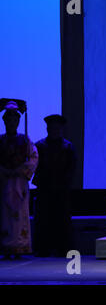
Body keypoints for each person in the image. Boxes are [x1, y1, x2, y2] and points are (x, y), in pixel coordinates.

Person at [32, 114, 76, 257]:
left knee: (62, 219)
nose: (55, 130)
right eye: (52, 127)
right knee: (43, 220)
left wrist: (64, 183)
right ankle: (42, 248)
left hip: (61, 188)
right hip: (44, 188)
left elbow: (71, 167)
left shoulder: (68, 147)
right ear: (47, 128)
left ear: (61, 129)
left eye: (57, 127)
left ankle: (63, 248)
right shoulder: (39, 145)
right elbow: (35, 167)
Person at [0, 101, 38, 259]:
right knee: (4, 215)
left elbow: (33, 157)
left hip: (19, 182)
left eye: (14, 120)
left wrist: (21, 170)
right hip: (3, 182)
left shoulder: (25, 140)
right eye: (8, 120)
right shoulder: (0, 140)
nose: (11, 122)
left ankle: (19, 246)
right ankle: (5, 247)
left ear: (18, 122)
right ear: (4, 121)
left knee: (20, 214)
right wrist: (3, 171)